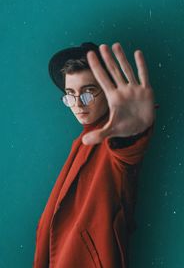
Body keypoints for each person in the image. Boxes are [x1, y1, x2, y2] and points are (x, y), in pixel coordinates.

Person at [33, 42, 159, 268]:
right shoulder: (82, 141)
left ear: (108, 92)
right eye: (70, 95)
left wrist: (133, 133)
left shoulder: (113, 140)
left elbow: (126, 153)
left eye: (88, 93)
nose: (78, 104)